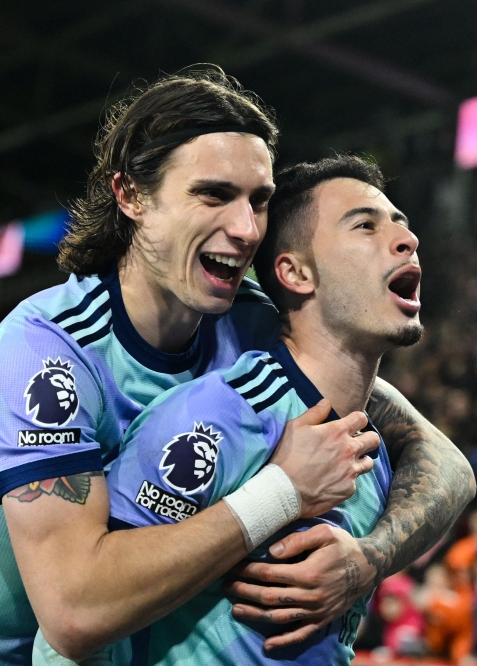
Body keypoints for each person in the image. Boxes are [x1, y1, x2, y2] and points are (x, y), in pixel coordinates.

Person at [0, 70, 475, 665]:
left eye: (258, 200)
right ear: (131, 196)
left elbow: (442, 461)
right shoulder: (43, 356)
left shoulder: (249, 322)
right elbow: (74, 612)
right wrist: (282, 491)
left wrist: (368, 560)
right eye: (213, 195)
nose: (247, 228)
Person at [33, 155, 425, 663]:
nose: (406, 239)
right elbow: (76, 624)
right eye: (366, 226)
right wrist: (279, 493)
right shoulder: (221, 413)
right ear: (296, 272)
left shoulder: (372, 454)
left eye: (403, 226)